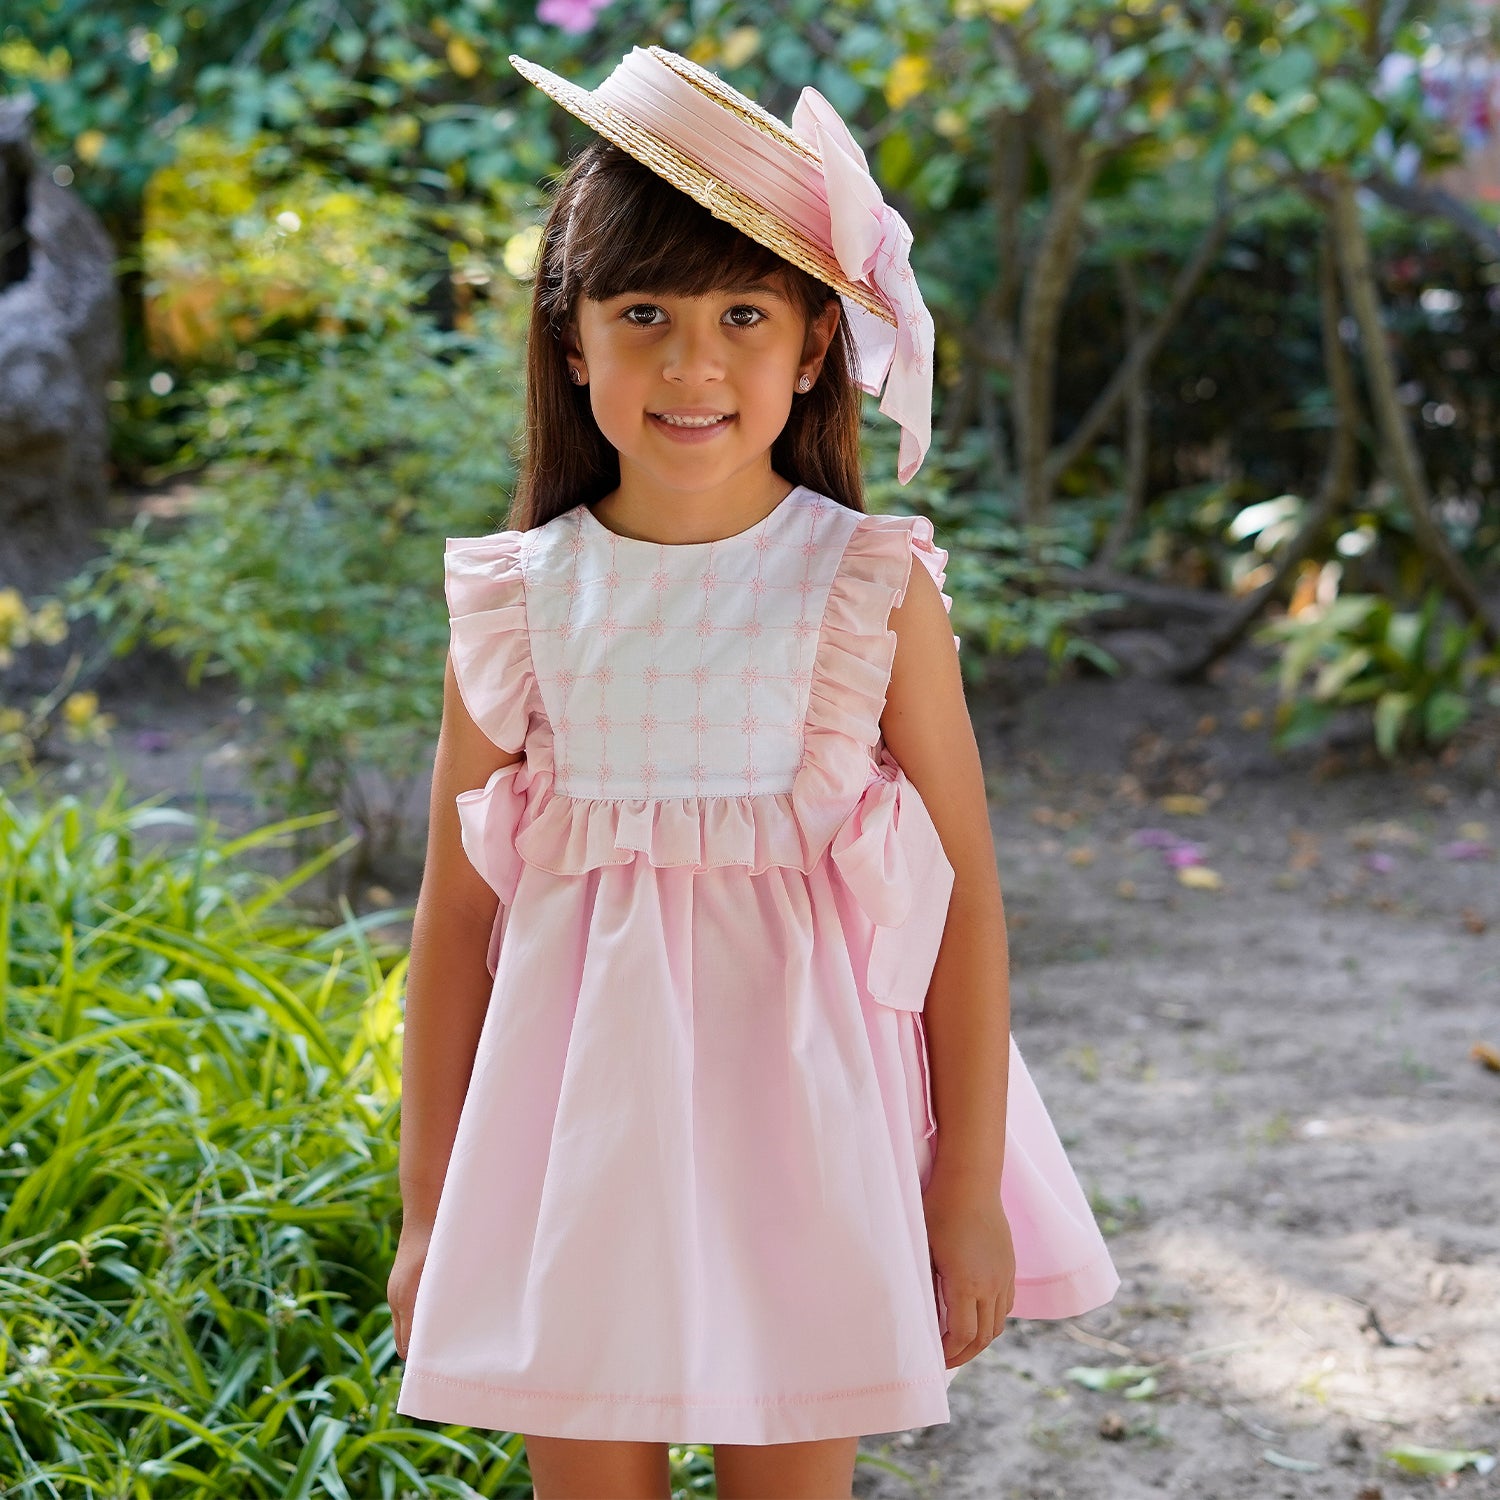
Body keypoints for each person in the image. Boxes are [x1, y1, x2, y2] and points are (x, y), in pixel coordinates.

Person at [388, 43, 1120, 1500]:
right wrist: (429, 1208)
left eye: (744, 313)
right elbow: (455, 924)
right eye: (642, 311)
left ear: (810, 348)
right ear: (572, 337)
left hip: (809, 1148)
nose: (693, 361)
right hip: (572, 1157)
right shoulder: (519, 600)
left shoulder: (866, 586)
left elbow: (963, 897)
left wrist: (961, 1187)